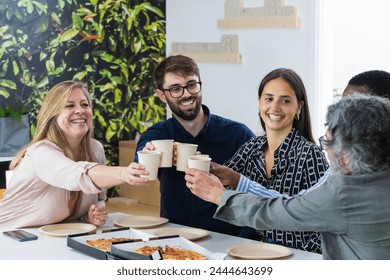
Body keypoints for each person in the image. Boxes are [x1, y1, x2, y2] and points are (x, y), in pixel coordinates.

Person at [185, 93, 390, 259]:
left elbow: (281, 212)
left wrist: (216, 194)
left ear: (346, 156)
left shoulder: (343, 191)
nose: (326, 150)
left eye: (327, 142)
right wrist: (234, 179)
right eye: (268, 98)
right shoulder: (253, 145)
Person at [0, 80, 149, 230]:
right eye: (70, 106)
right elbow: (75, 174)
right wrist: (123, 173)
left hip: (47, 238)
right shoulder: (41, 151)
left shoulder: (95, 149)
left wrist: (89, 215)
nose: (80, 110)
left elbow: (98, 198)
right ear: (53, 115)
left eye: (85, 104)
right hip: (8, 236)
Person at [209, 68, 329, 253]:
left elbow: (323, 224)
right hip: (251, 250)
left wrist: (301, 261)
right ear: (259, 104)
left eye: (285, 100)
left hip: (294, 256)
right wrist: (184, 158)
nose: (275, 107)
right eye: (269, 98)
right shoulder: (251, 147)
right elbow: (219, 183)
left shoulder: (311, 155)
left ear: (299, 107)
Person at [134, 55, 256, 236]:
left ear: (200, 85)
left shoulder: (238, 133)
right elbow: (142, 154)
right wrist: (149, 154)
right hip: (175, 238)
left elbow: (260, 189)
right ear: (162, 95)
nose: (186, 94)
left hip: (228, 239)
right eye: (175, 89)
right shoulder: (158, 135)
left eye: (191, 85)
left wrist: (247, 240)